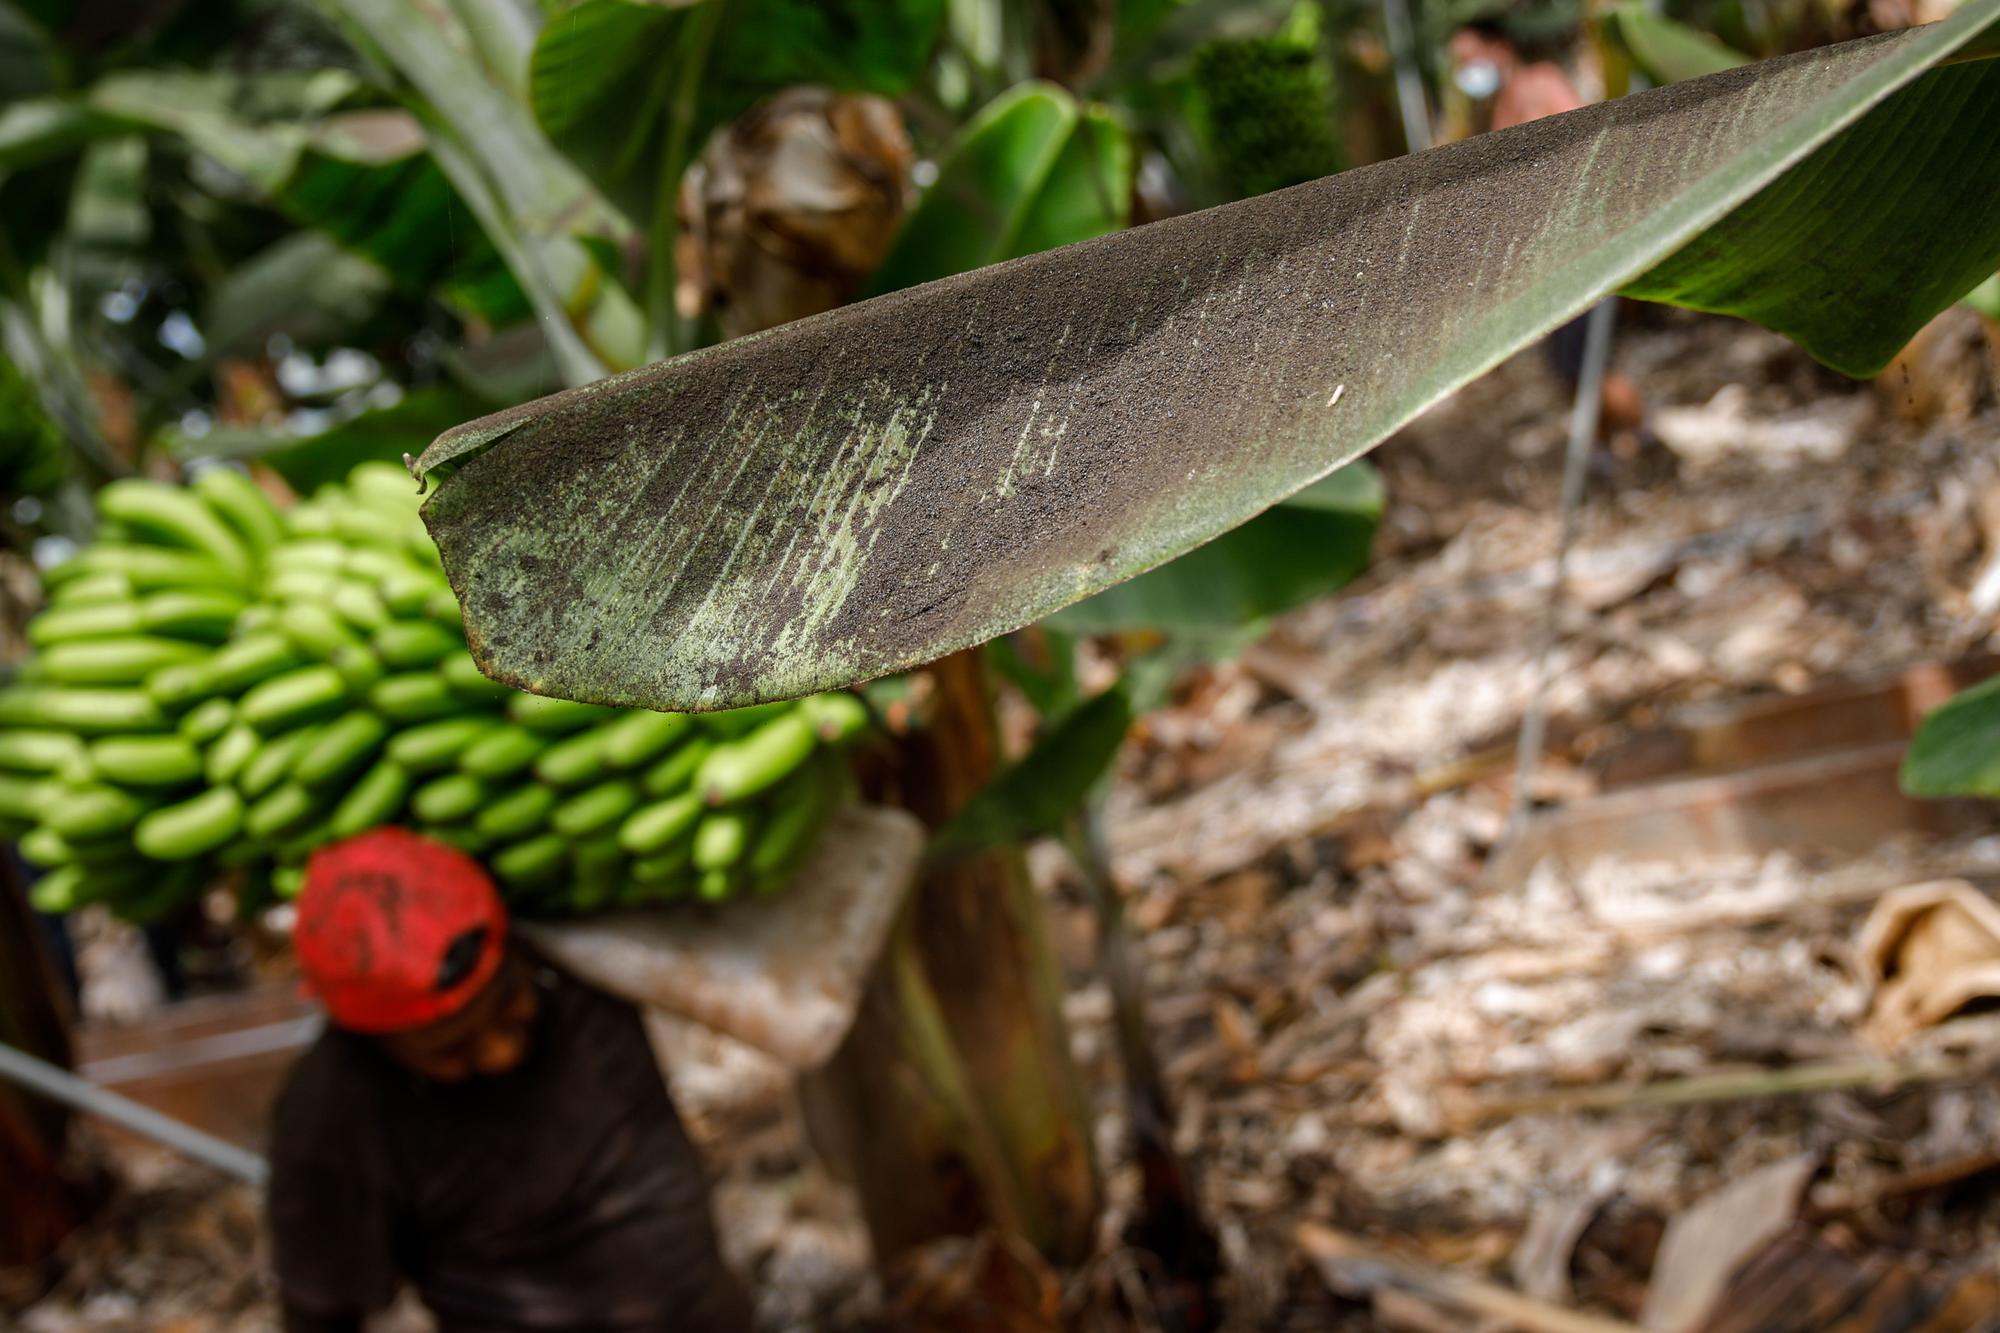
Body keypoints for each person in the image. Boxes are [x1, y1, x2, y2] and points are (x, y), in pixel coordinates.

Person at [267, 827, 751, 1333]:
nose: (501, 1053)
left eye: (509, 1006)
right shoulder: (332, 1115)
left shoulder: (585, 964)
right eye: (452, 1050)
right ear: (378, 1044)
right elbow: (319, 1310)